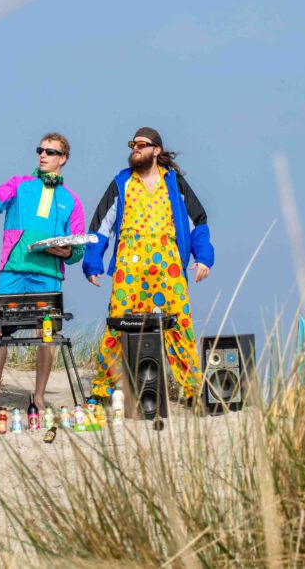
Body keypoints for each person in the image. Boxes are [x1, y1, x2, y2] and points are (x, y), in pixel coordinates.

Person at [83, 126, 215, 403]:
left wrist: (203, 257)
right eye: (133, 144)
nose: (135, 148)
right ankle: (102, 390)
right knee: (118, 324)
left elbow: (198, 221)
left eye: (142, 144)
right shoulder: (121, 182)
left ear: (156, 150)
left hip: (168, 265)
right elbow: (101, 226)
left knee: (179, 324)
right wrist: (93, 261)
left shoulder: (175, 183)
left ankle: (191, 390)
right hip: (129, 266)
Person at [0, 133, 86, 413]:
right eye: (40, 150)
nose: (43, 155)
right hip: (12, 269)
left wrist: (68, 252)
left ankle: (39, 396)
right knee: (0, 331)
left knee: (46, 333)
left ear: (63, 159)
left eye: (50, 151)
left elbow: (79, 247)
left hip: (47, 274)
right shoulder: (19, 184)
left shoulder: (71, 200)